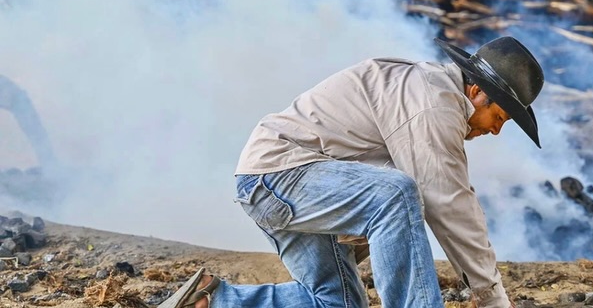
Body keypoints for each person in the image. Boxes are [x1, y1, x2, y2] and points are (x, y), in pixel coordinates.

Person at [158, 36, 545, 308]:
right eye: (500, 117)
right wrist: (492, 296)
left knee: (335, 302)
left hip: (283, 182)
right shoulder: (434, 103)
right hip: (281, 175)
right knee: (397, 194)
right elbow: (449, 203)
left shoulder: (430, 97)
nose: (496, 130)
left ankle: (213, 301)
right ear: (476, 92)